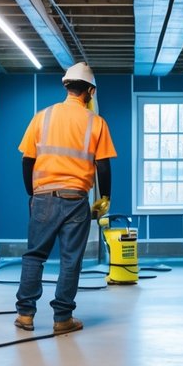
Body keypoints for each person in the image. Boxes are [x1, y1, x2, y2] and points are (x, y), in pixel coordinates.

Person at [14, 62, 116, 333]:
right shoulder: (96, 122)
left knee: (35, 255)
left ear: (67, 86)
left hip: (43, 196)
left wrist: (32, 194)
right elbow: (104, 165)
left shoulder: (42, 117)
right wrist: (105, 196)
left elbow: (27, 160)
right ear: (90, 92)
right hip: (76, 199)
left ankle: (25, 315)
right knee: (71, 259)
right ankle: (62, 319)